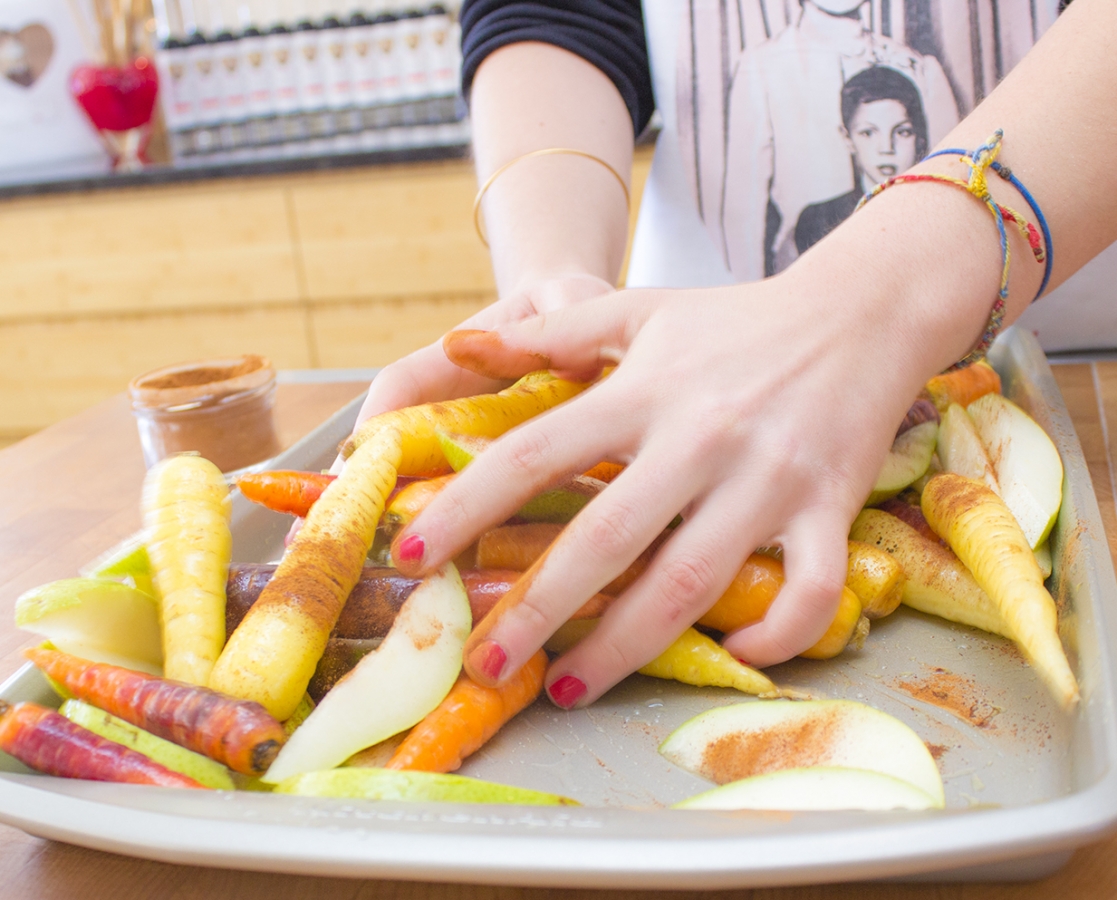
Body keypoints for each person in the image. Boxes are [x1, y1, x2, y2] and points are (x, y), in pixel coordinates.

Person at [348, 0, 1117, 712]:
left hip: (1081, 364)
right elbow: (558, 13)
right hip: (684, 371)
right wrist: (554, 277)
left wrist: (863, 307)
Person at [795, 65, 928, 254]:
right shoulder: (818, 221)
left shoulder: (937, 213)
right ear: (848, 139)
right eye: (868, 133)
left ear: (919, 137)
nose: (887, 149)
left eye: (902, 132)